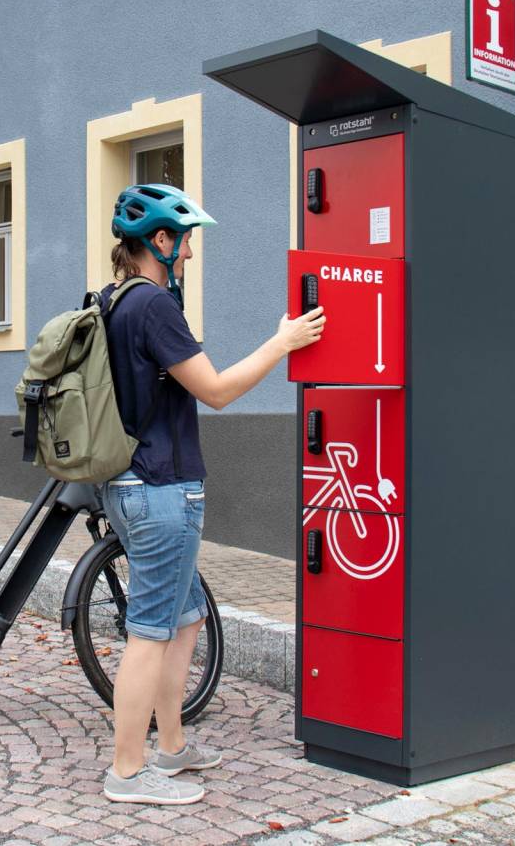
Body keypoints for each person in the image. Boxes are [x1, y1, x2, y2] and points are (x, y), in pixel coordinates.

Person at [99, 184, 325, 805]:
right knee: (150, 632)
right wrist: (283, 343)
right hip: (161, 490)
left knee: (187, 620)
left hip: (134, 484)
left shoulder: (114, 300)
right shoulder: (152, 306)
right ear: (161, 242)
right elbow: (217, 390)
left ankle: (170, 749)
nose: (192, 252)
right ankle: (126, 772)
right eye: (187, 239)